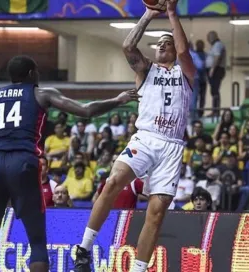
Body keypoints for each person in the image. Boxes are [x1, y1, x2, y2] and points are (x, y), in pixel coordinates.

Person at [0, 55, 139, 272]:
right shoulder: (41, 93)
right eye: (38, 71)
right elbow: (86, 111)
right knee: (37, 244)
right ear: (32, 74)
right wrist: (117, 100)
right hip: (23, 161)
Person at [74, 1, 196, 271]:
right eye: (159, 43)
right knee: (113, 180)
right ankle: (83, 248)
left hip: (172, 147)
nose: (162, 45)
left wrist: (173, 13)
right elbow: (128, 47)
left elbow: (185, 50)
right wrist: (149, 14)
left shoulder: (186, 73)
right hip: (146, 138)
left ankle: (139, 269)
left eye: (168, 42)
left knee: (156, 212)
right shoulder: (146, 69)